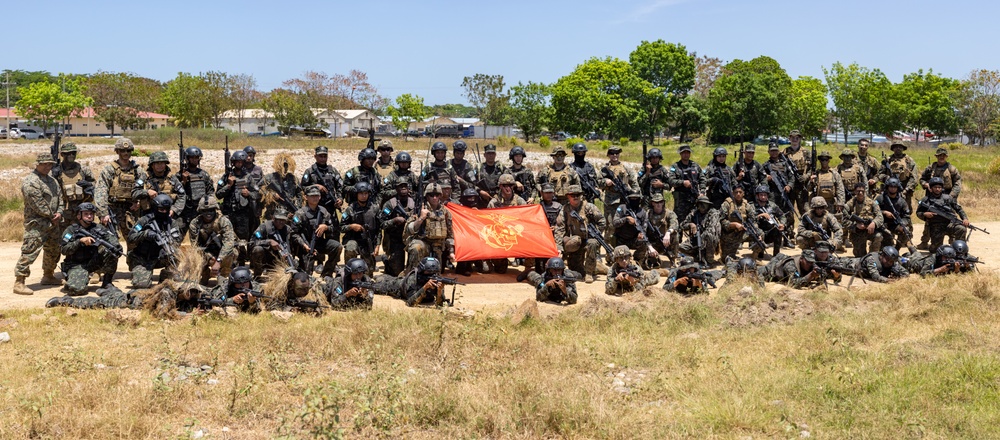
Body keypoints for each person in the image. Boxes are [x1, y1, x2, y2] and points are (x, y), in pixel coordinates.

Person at [14, 153, 65, 295]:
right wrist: (52, 216)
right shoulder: (31, 181)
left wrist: (59, 212)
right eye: (45, 164)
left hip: (53, 223)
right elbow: (37, 203)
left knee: (54, 250)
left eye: (50, 164)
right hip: (37, 223)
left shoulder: (52, 181)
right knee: (30, 251)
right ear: (38, 164)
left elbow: (60, 198)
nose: (48, 167)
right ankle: (19, 282)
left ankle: (48, 275)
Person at [58, 202, 119, 295]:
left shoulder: (98, 228)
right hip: (76, 264)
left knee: (112, 252)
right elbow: (64, 249)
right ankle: (71, 281)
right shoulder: (71, 230)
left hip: (93, 262)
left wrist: (116, 246)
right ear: (79, 215)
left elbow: (111, 238)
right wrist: (80, 242)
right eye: (86, 214)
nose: (90, 216)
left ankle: (107, 283)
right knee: (78, 290)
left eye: (91, 214)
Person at [95, 138, 146, 247]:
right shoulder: (109, 170)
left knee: (135, 242)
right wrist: (103, 213)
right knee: (110, 243)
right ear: (117, 151)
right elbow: (101, 191)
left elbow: (145, 189)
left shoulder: (138, 171)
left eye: (128, 151)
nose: (126, 153)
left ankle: (135, 264)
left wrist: (139, 202)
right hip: (113, 209)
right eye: (122, 151)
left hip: (131, 210)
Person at [554, 184, 606, 283]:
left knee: (593, 243)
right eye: (573, 195)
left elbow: (602, 221)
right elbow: (559, 229)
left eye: (578, 195)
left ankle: (589, 273)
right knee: (576, 271)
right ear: (568, 196)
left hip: (588, 239)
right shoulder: (565, 209)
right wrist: (559, 248)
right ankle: (594, 267)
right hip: (575, 241)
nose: (575, 197)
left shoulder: (589, 207)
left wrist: (596, 233)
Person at [216, 150, 261, 265]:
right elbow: (218, 194)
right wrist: (228, 185)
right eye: (237, 162)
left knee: (242, 240)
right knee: (228, 238)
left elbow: (258, 193)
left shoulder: (248, 177)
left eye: (241, 162)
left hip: (243, 214)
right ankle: (229, 262)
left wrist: (249, 194)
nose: (239, 164)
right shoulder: (226, 177)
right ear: (233, 162)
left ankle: (240, 263)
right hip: (229, 214)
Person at [127, 194, 182, 288]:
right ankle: (138, 273)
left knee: (175, 254)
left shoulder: (172, 223)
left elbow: (177, 240)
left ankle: (165, 277)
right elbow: (130, 237)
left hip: (159, 258)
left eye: (166, 209)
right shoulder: (144, 220)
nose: (164, 212)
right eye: (161, 209)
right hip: (142, 259)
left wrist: (168, 246)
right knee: (142, 285)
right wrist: (145, 234)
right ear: (155, 208)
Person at [291, 185, 344, 278]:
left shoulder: (323, 211)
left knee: (337, 247)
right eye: (312, 196)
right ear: (306, 197)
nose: (315, 198)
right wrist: (304, 245)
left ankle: (327, 273)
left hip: (319, 242)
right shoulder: (300, 213)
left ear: (320, 197)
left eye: (317, 196)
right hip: (304, 246)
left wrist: (326, 227)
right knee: (306, 276)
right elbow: (294, 233)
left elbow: (334, 228)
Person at [916, 147, 963, 250]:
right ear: (936, 156)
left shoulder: (952, 169)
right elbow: (922, 179)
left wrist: (951, 196)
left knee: (950, 217)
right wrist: (926, 184)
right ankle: (925, 241)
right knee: (930, 220)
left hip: (947, 197)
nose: (941, 157)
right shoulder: (930, 168)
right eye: (939, 155)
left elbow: (958, 183)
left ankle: (953, 242)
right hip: (932, 197)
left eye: (943, 156)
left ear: (946, 157)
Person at [404, 183, 455, 273]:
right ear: (427, 196)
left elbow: (450, 234)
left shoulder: (446, 212)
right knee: (416, 247)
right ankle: (411, 277)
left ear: (440, 196)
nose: (434, 198)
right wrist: (421, 218)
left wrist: (451, 252)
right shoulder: (419, 210)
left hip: (438, 247)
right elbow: (409, 229)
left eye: (437, 195)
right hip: (423, 243)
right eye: (431, 195)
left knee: (435, 276)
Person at [188, 197, 237, 285]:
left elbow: (229, 243)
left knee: (231, 253)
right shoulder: (195, 223)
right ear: (200, 211)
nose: (208, 213)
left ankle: (223, 275)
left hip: (222, 252)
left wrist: (218, 261)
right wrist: (209, 257)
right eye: (205, 211)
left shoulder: (223, 221)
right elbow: (195, 245)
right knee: (194, 255)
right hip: (206, 251)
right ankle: (204, 274)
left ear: (215, 209)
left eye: (211, 210)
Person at [301, 145, 344, 244]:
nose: (323, 158)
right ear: (315, 156)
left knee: (334, 234)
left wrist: (339, 199)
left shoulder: (332, 170)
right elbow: (303, 188)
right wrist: (316, 186)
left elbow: (341, 186)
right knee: (315, 234)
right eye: (320, 156)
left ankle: (333, 258)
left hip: (330, 207)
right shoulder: (310, 171)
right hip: (315, 208)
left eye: (325, 156)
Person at [916, 177, 969, 252]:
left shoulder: (948, 198)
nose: (937, 189)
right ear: (931, 188)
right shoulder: (926, 200)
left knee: (961, 229)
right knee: (935, 250)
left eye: (939, 187)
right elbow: (918, 213)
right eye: (935, 187)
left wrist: (965, 218)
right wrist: (925, 214)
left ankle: (961, 251)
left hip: (950, 224)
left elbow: (958, 209)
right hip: (936, 227)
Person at [340, 181, 381, 276]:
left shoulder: (375, 208)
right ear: (356, 194)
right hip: (354, 240)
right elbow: (341, 227)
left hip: (368, 242)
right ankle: (348, 272)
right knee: (350, 248)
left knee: (368, 274)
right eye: (361, 193)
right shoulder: (350, 209)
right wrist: (351, 226)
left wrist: (378, 245)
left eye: (366, 193)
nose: (364, 196)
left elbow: (379, 229)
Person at [600, 145, 638, 248]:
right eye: (612, 153)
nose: (615, 155)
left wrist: (634, 194)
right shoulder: (605, 169)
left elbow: (634, 183)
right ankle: (608, 247)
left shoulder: (626, 168)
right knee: (611, 225)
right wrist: (605, 181)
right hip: (611, 202)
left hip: (624, 201)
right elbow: (598, 182)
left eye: (617, 153)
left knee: (624, 224)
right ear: (608, 155)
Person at [52, 142, 96, 225]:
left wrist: (88, 184)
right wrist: (53, 176)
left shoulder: (83, 169)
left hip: (81, 210)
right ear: (62, 154)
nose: (71, 155)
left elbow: (95, 185)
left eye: (73, 153)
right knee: (65, 236)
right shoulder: (57, 171)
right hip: (63, 211)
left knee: (82, 235)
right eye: (68, 153)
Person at [176, 146, 215, 239]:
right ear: (187, 159)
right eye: (192, 157)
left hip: (200, 211)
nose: (194, 160)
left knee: (202, 237)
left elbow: (210, 192)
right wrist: (183, 182)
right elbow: (174, 192)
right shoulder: (179, 175)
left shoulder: (204, 174)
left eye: (196, 157)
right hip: (185, 210)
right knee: (177, 236)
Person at [380, 179, 416, 276]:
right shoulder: (390, 204)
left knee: (412, 269)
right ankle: (387, 263)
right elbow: (382, 223)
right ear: (396, 189)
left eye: (405, 186)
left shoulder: (414, 203)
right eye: (401, 186)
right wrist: (394, 220)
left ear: (409, 189)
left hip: (411, 238)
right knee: (396, 272)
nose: (403, 188)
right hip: (395, 239)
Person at [135, 151, 186, 218]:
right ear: (152, 165)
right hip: (148, 215)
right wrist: (147, 192)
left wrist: (174, 210)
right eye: (157, 163)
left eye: (162, 163)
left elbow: (182, 195)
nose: (160, 165)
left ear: (165, 164)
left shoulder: (172, 178)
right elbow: (134, 192)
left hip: (168, 214)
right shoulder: (145, 177)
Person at [762, 142, 797, 231]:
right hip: (772, 194)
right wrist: (767, 178)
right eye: (772, 151)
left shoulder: (785, 164)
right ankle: (772, 234)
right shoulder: (765, 165)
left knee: (787, 214)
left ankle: (788, 234)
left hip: (784, 192)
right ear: (768, 152)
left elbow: (792, 177)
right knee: (771, 214)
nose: (774, 153)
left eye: (775, 151)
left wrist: (789, 185)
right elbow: (761, 178)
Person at [668, 144, 707, 224]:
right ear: (680, 154)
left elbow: (703, 179)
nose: (686, 154)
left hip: (694, 198)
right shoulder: (675, 167)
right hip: (681, 200)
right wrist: (682, 183)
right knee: (679, 222)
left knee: (695, 221)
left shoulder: (695, 166)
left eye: (687, 152)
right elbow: (671, 181)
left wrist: (702, 192)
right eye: (684, 153)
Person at [250, 209, 296, 278]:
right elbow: (252, 242)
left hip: (279, 258)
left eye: (283, 220)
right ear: (273, 218)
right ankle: (257, 276)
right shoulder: (264, 227)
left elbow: (292, 243)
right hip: (265, 257)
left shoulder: (287, 229)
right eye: (279, 220)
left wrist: (289, 253)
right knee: (257, 249)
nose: (281, 222)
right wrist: (268, 242)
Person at [843, 182, 884, 257]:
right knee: (860, 256)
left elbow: (880, 216)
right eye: (858, 191)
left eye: (862, 191)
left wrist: (874, 223)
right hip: (857, 232)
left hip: (870, 230)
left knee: (878, 236)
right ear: (855, 191)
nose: (860, 193)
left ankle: (873, 255)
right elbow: (844, 221)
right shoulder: (850, 204)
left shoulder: (872, 202)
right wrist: (855, 226)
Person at [836, 149, 867, 249]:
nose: (847, 159)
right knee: (843, 217)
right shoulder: (838, 168)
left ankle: (852, 237)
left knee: (856, 216)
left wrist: (864, 194)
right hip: (843, 195)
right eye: (845, 157)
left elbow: (864, 182)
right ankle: (844, 238)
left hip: (856, 195)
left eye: (849, 157)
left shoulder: (858, 168)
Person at [679, 196, 721, 267]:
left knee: (709, 236)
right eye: (700, 204)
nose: (702, 206)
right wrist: (690, 224)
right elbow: (682, 225)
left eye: (705, 204)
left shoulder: (713, 213)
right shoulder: (694, 213)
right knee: (681, 247)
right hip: (696, 239)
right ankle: (697, 257)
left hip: (709, 240)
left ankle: (709, 260)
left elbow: (711, 229)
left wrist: (701, 238)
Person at [611, 192, 651, 266]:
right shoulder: (622, 208)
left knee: (644, 242)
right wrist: (626, 219)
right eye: (632, 199)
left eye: (636, 199)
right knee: (616, 260)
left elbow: (644, 228)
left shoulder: (643, 212)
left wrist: (641, 234)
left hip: (633, 239)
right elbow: (615, 223)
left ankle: (637, 261)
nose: (634, 201)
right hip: (621, 240)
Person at [261, 152, 303, 221]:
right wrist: (271, 195)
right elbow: (259, 189)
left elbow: (300, 195)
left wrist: (296, 208)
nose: (285, 168)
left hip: (290, 213)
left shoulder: (294, 179)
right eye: (283, 165)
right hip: (273, 214)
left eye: (286, 165)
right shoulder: (269, 178)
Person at [877, 142, 918, 210]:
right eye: (896, 147)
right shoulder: (888, 160)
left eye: (900, 147)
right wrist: (886, 178)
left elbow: (914, 177)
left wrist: (906, 189)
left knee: (905, 210)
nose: (898, 148)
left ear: (903, 149)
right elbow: (879, 174)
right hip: (889, 190)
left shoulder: (909, 161)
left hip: (904, 190)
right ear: (893, 149)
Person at [719, 185, 755, 262]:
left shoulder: (746, 205)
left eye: (740, 192)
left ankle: (753, 258)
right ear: (732, 193)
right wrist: (734, 224)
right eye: (736, 192)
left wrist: (756, 232)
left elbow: (753, 220)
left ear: (743, 194)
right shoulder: (727, 204)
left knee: (759, 236)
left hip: (743, 232)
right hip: (729, 234)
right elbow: (722, 220)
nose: (738, 194)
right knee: (726, 259)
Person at [750, 185, 788, 259]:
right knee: (759, 255)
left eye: (765, 195)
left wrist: (782, 224)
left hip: (770, 232)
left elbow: (782, 216)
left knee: (778, 230)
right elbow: (749, 220)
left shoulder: (772, 205)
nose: (763, 197)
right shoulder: (752, 206)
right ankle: (759, 252)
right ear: (757, 195)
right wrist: (760, 216)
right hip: (757, 233)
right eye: (761, 195)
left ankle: (776, 255)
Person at [876, 177, 913, 251]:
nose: (892, 189)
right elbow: (873, 211)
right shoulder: (880, 198)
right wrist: (884, 212)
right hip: (883, 225)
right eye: (891, 187)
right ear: (887, 187)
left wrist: (903, 224)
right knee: (886, 247)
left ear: (898, 188)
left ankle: (897, 249)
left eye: (895, 187)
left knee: (906, 231)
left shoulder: (902, 201)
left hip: (895, 224)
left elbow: (907, 216)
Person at [806, 151, 845, 219]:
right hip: (818, 205)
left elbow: (840, 188)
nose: (824, 161)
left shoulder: (834, 173)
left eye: (826, 159)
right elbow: (808, 189)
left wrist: (840, 202)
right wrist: (811, 181)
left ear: (829, 160)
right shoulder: (816, 173)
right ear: (820, 161)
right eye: (822, 159)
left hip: (831, 203)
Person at [647, 192, 679, 267]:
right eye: (656, 202)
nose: (658, 204)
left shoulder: (669, 213)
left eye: (660, 202)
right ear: (652, 203)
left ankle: (672, 258)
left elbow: (675, 224)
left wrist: (668, 233)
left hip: (665, 242)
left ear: (663, 203)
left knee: (675, 234)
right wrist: (649, 246)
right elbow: (643, 230)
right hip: (652, 243)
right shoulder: (648, 214)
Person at [784, 130, 811, 215]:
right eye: (793, 137)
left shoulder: (806, 152)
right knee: (789, 210)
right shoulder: (785, 152)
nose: (795, 139)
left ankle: (806, 227)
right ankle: (789, 228)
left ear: (800, 139)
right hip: (789, 185)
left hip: (802, 185)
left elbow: (812, 169)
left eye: (797, 137)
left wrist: (806, 176)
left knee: (804, 210)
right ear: (789, 138)